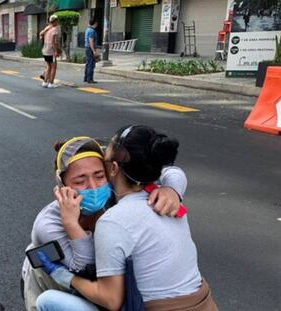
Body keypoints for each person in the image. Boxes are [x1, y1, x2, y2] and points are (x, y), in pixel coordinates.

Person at [36, 125, 218, 311]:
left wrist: (64, 275)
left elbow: (108, 297)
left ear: (111, 169)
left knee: (47, 301)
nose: (92, 187)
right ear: (61, 184)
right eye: (80, 181)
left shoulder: (114, 219)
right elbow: (171, 172)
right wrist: (173, 190)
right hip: (205, 304)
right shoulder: (166, 200)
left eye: (100, 174)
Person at [40, 15, 60, 88]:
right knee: (54, 67)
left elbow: (40, 34)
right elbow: (53, 42)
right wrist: (56, 51)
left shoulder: (47, 28)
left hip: (45, 50)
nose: (58, 22)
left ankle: (45, 82)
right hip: (51, 50)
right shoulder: (54, 29)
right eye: (57, 20)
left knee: (48, 66)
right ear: (55, 21)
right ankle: (51, 83)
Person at [84, 19, 99, 84]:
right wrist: (94, 51)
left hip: (87, 48)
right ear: (94, 23)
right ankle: (90, 79)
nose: (97, 25)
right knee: (91, 64)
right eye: (96, 24)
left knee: (88, 63)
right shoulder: (92, 31)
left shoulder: (87, 29)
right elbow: (91, 41)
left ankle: (86, 77)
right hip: (90, 48)